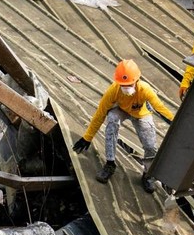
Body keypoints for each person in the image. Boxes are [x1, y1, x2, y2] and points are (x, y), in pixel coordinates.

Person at [72, 59, 174, 192]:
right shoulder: (113, 91)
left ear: (136, 81)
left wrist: (174, 121)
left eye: (129, 84)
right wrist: (87, 137)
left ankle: (148, 175)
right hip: (122, 110)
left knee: (150, 145)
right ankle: (110, 164)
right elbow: (99, 114)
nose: (126, 88)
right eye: (123, 85)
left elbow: (160, 108)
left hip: (141, 113)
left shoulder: (145, 89)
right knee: (112, 119)